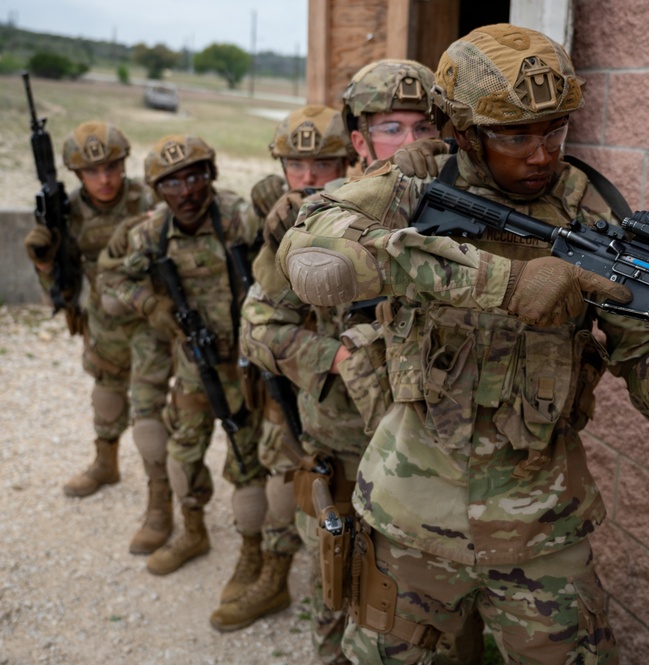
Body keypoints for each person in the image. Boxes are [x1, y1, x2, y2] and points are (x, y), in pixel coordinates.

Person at [275, 24, 649, 664]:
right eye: (515, 136)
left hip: (541, 533)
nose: (540, 155)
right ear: (462, 130)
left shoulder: (594, 217)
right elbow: (312, 257)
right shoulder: (414, 183)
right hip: (409, 517)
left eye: (555, 131)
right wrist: (502, 283)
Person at [239, 61, 485, 664]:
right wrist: (336, 355)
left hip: (446, 464)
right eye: (391, 129)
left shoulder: (480, 216)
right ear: (359, 141)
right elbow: (257, 326)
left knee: (442, 620)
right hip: (347, 447)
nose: (410, 144)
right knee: (340, 588)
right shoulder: (320, 220)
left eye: (423, 127)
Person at [209, 104, 356, 636]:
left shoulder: (364, 210)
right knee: (278, 470)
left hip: (334, 388)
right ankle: (271, 570)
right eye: (296, 164)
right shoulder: (267, 206)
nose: (308, 176)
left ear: (348, 161)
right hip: (279, 367)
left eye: (323, 164)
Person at [106, 135, 268, 604]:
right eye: (172, 183)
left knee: (248, 463)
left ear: (211, 175)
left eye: (195, 176)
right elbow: (112, 279)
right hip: (195, 365)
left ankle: (253, 553)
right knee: (182, 454)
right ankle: (193, 532)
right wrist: (151, 305)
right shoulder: (152, 232)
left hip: (247, 366)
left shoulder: (239, 219)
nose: (187, 191)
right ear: (157, 190)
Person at [22, 121, 160, 503]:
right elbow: (61, 289)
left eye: (112, 167)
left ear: (124, 164)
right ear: (77, 174)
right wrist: (44, 261)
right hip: (103, 320)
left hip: (150, 318)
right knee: (106, 396)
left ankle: (160, 489)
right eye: (92, 171)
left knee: (150, 410)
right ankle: (105, 463)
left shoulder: (147, 200)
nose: (104, 179)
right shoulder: (67, 214)